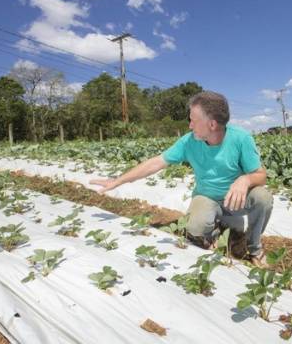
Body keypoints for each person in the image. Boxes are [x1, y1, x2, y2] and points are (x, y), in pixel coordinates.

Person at [90, 91, 273, 265]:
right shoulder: (188, 141)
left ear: (212, 124)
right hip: (207, 197)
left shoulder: (240, 139)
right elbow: (156, 162)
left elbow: (261, 176)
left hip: (235, 200)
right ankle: (212, 232)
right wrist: (118, 180)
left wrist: (245, 180)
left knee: (263, 198)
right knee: (194, 228)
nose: (190, 125)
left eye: (193, 120)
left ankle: (253, 248)